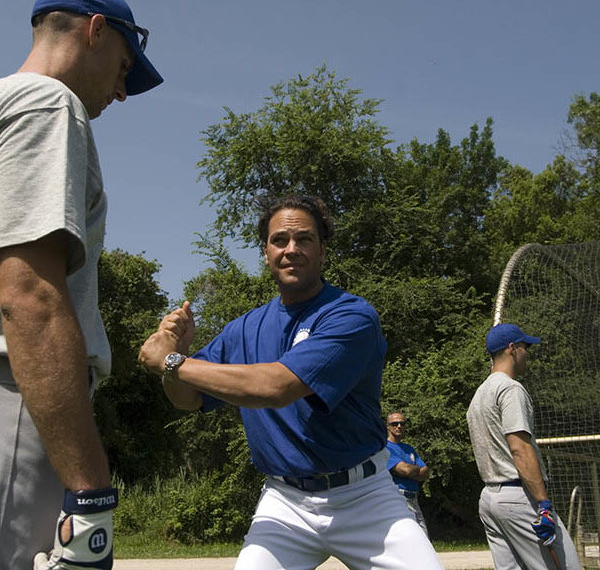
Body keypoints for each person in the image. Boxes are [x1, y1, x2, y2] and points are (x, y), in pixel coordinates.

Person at [139, 195, 443, 570]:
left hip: (365, 496)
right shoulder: (243, 329)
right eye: (279, 240)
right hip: (284, 503)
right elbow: (188, 400)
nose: (291, 249)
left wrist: (171, 361)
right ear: (265, 252)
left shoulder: (351, 316)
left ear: (322, 250)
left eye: (304, 239)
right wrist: (175, 363)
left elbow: (276, 387)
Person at [0, 0, 163, 569]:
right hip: (20, 400)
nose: (121, 93)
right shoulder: (48, 103)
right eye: (123, 68)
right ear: (95, 30)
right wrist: (91, 490)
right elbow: (30, 299)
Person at [467, 323, 581, 569]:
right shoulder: (510, 389)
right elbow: (519, 448)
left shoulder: (478, 395)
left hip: (489, 498)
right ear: (512, 349)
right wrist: (544, 504)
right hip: (518, 497)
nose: (528, 353)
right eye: (525, 347)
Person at [386, 410, 430, 536]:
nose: (399, 426)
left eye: (402, 423)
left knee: (423, 538)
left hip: (413, 498)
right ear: (388, 426)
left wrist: (412, 471)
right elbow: (405, 470)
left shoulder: (409, 449)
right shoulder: (385, 448)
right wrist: (415, 469)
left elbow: (426, 472)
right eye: (394, 424)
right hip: (398, 498)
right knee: (407, 538)